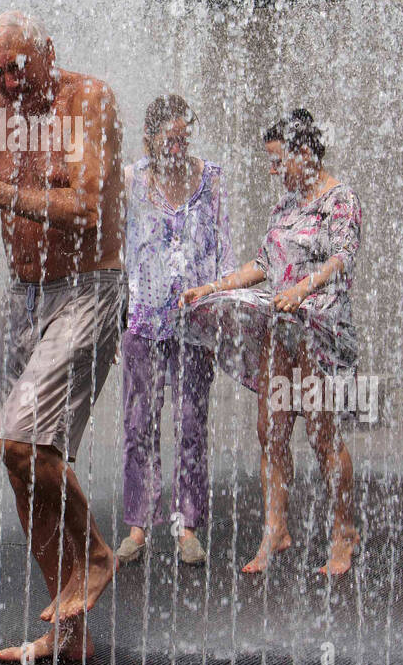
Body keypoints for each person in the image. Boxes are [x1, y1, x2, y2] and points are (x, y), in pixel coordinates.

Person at [0, 10, 126, 665]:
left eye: (17, 67)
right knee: (23, 469)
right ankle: (69, 632)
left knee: (18, 439)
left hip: (88, 289)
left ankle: (97, 554)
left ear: (47, 54)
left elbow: (89, 209)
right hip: (21, 298)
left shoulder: (88, 99)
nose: (8, 83)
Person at [180, 109, 362, 576]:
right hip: (280, 329)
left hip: (318, 333)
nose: (273, 171)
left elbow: (342, 258)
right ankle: (275, 531)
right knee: (271, 431)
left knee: (323, 436)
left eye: (279, 161)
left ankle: (345, 534)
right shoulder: (284, 205)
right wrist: (214, 287)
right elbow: (263, 262)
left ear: (305, 154)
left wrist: (303, 288)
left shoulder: (339, 200)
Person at [118, 96, 235, 566]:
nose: (178, 145)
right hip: (143, 318)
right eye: (170, 138)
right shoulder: (131, 180)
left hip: (196, 320)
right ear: (150, 139)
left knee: (190, 424)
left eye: (184, 136)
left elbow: (223, 247)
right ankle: (137, 527)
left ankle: (187, 527)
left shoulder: (211, 180)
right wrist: (115, 316)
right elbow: (118, 246)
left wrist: (220, 304)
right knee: (138, 424)